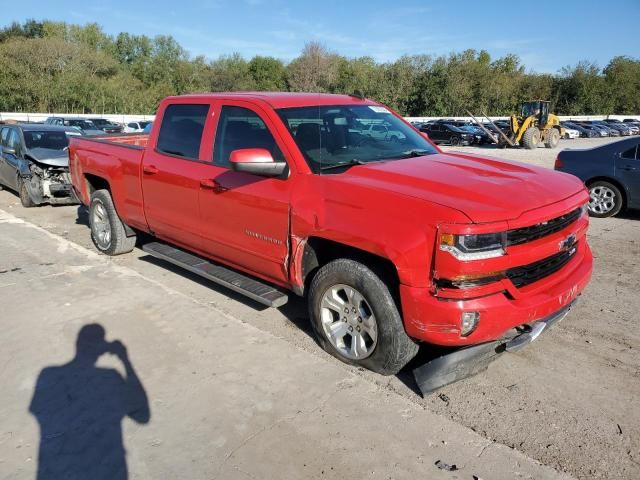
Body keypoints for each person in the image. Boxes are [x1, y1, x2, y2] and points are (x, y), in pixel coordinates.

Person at [29, 324, 150, 480]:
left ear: (78, 344)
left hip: (58, 467)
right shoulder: (111, 376)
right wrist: (125, 360)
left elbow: (42, 414)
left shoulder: (48, 374)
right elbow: (143, 417)